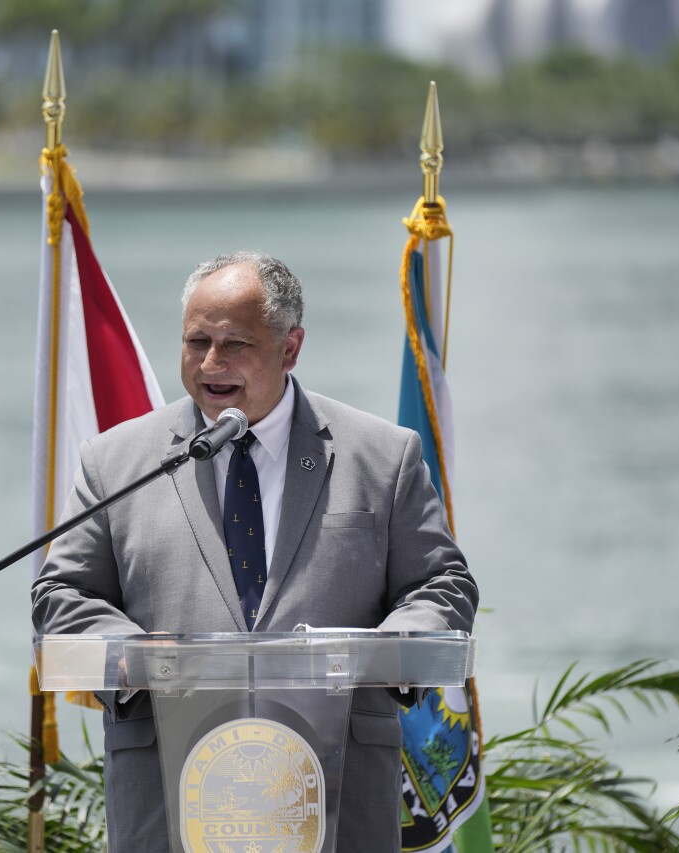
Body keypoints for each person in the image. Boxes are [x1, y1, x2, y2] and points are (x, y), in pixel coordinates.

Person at [32, 250, 477, 852]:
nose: (210, 364)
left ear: (290, 348)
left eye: (234, 344)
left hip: (335, 797)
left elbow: (442, 584)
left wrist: (390, 648)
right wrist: (133, 652)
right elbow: (62, 593)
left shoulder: (383, 456)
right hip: (170, 797)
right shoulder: (117, 462)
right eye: (196, 342)